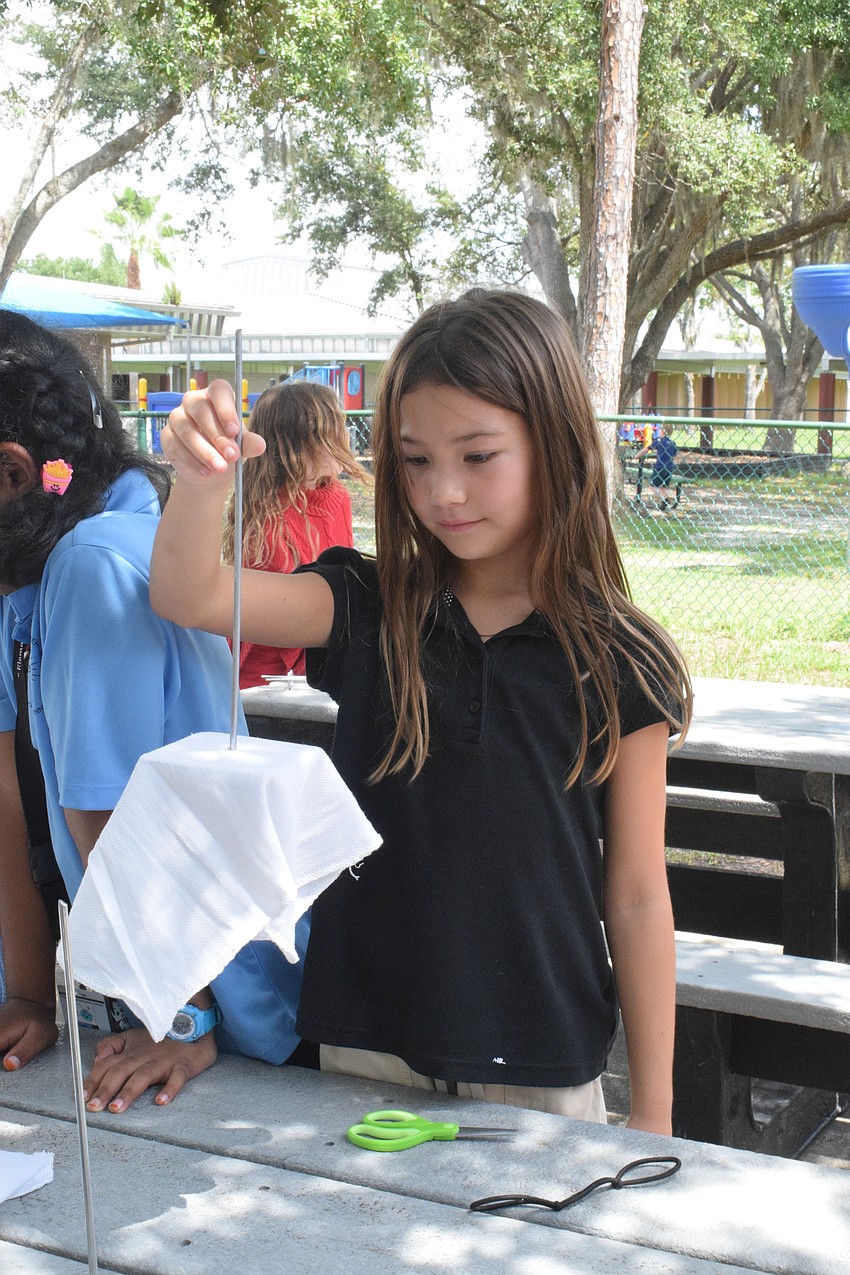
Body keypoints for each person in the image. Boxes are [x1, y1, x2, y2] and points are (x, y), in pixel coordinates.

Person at [151, 289, 692, 1135]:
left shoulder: (622, 655)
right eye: (413, 459)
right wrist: (198, 480)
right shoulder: (367, 603)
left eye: (479, 455)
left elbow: (635, 895)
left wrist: (655, 1107)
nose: (444, 491)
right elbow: (192, 593)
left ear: (553, 444)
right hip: (366, 1041)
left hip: (543, 1057)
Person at [0, 310, 309, 1115]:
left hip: (208, 1003)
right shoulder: (26, 571)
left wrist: (187, 1015)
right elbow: (5, 784)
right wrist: (31, 995)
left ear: (12, 473)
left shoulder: (91, 566)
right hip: (132, 982)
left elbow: (124, 823)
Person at [222, 380, 370, 688]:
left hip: (322, 670)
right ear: (298, 448)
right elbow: (238, 631)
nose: (344, 441)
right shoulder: (267, 528)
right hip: (269, 685)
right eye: (331, 433)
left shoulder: (336, 496)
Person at [637, 422, 678, 510]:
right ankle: (663, 504)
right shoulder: (672, 443)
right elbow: (674, 455)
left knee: (652, 486)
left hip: (660, 467)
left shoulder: (658, 441)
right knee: (664, 486)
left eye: (660, 430)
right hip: (670, 467)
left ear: (663, 431)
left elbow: (646, 449)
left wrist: (637, 456)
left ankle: (665, 499)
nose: (658, 431)